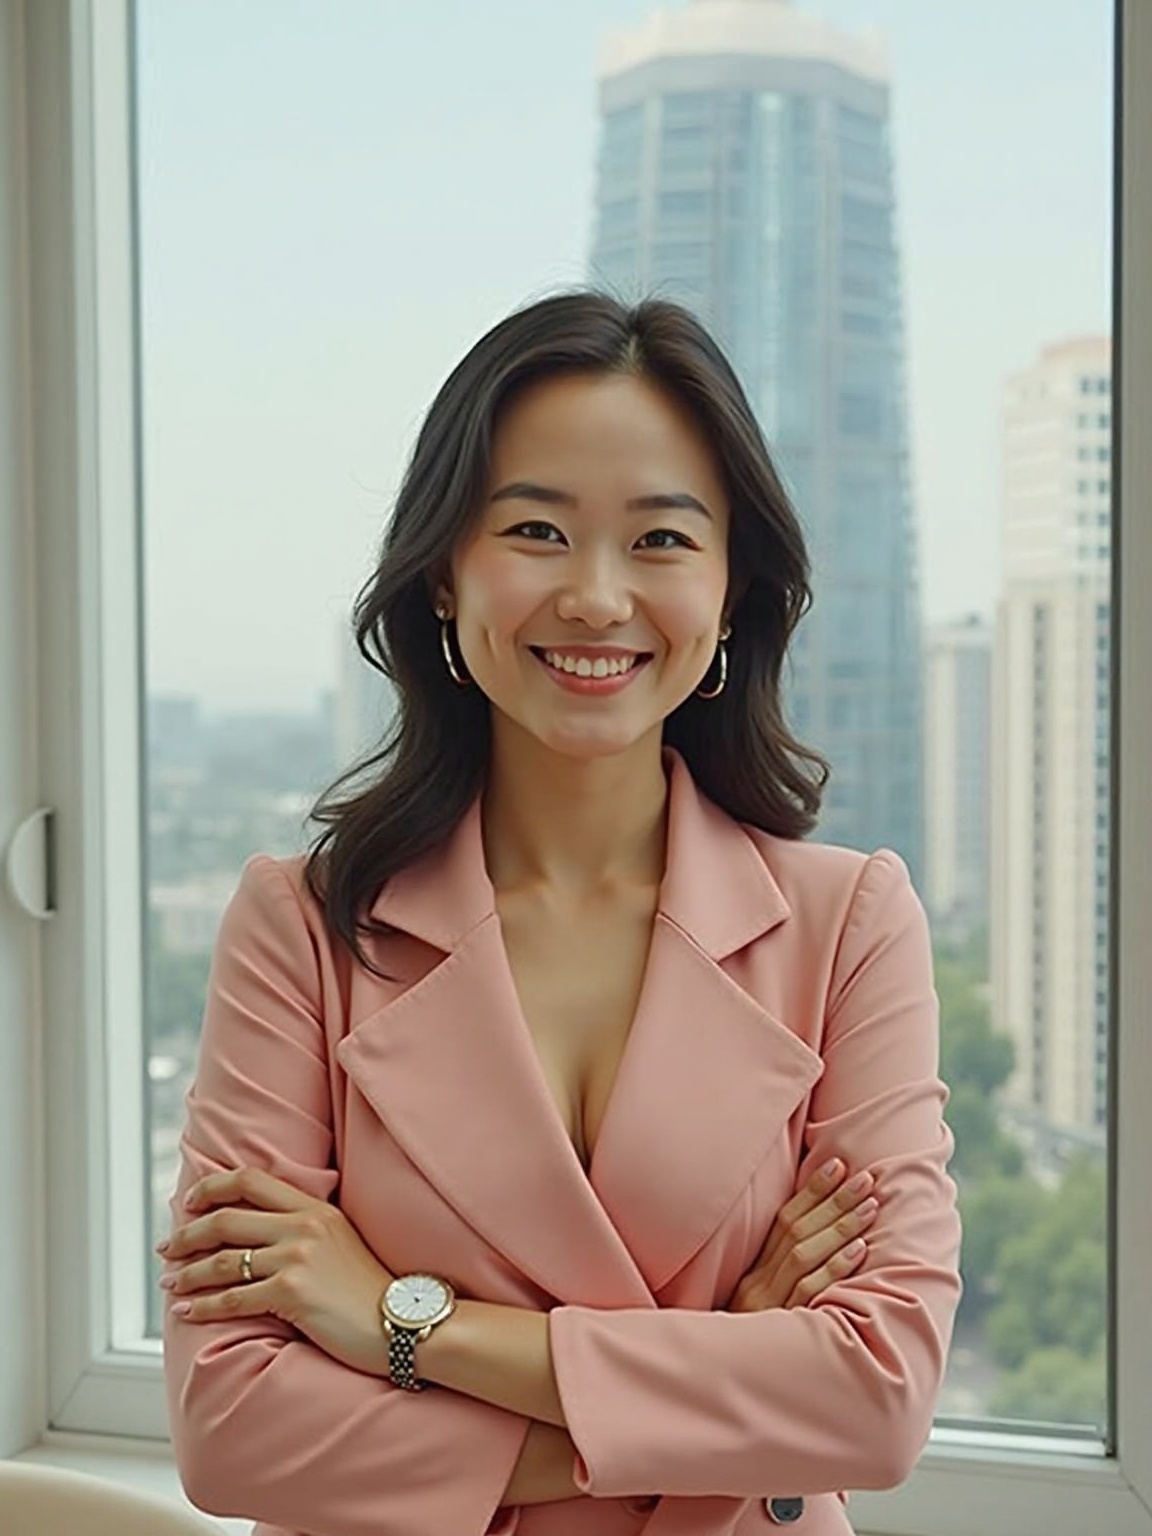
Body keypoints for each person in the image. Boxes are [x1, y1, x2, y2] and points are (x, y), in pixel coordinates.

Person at [158, 291, 963, 1536]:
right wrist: (722, 1372)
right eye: (536, 529)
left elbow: (875, 1399)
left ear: (733, 590)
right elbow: (234, 1429)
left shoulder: (849, 923)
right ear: (442, 572)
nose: (595, 597)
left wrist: (396, 1324)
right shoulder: (304, 930)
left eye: (659, 540)